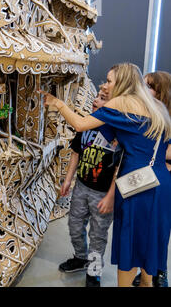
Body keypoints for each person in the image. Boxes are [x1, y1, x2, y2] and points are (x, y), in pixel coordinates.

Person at [41, 62, 171, 287]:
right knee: (148, 248)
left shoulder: (122, 103)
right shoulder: (157, 106)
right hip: (160, 183)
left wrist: (58, 104)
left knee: (129, 250)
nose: (105, 85)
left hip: (136, 185)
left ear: (122, 82)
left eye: (110, 81)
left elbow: (81, 125)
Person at [58, 86, 120, 287]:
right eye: (97, 96)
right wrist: (68, 179)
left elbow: (119, 165)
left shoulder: (117, 131)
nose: (96, 99)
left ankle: (94, 272)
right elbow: (76, 152)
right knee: (74, 224)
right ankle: (81, 257)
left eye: (103, 98)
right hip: (81, 186)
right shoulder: (85, 125)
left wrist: (111, 195)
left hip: (102, 193)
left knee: (98, 234)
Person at [131, 70, 171, 287]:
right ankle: (146, 270)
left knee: (159, 230)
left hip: (163, 182)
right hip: (148, 178)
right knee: (143, 229)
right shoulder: (145, 113)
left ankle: (158, 272)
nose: (143, 90)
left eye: (149, 86)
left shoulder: (166, 116)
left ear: (161, 92)